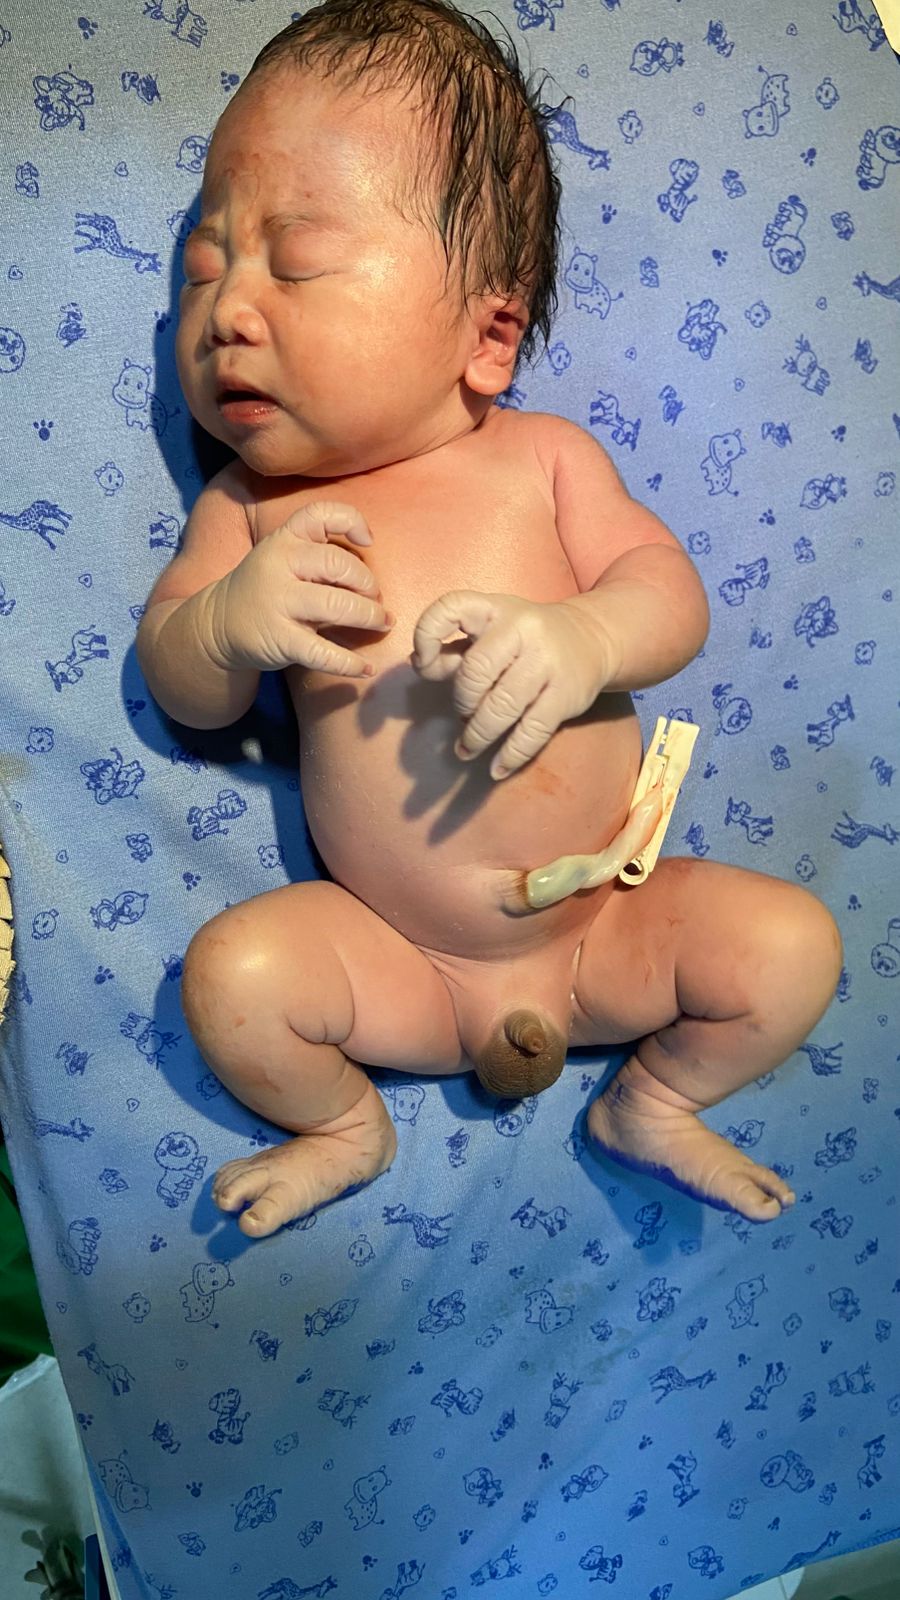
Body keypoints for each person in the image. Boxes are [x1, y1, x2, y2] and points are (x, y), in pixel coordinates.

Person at [136, 0, 843, 1240]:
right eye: (205, 269)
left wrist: (588, 638)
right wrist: (226, 627)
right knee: (236, 977)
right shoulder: (248, 510)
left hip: (606, 927)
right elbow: (181, 686)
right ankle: (344, 1125)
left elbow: (669, 596)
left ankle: (654, 1102)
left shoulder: (543, 461)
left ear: (489, 334)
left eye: (294, 263)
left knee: (791, 946)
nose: (228, 309)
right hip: (399, 957)